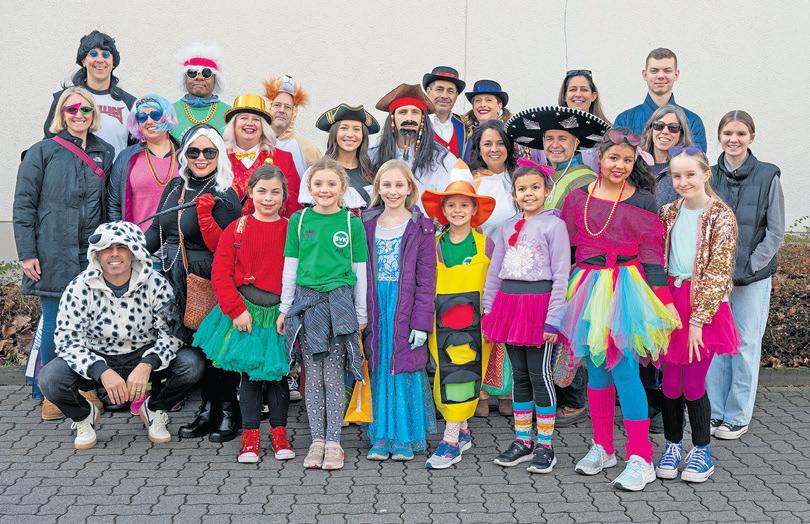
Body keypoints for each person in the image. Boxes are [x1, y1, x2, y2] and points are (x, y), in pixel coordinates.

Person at [560, 128, 679, 491]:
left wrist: (665, 301)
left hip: (626, 289)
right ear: (599, 158)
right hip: (587, 287)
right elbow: (564, 250)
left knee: (625, 371)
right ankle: (603, 447)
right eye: (614, 158)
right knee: (596, 371)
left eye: (628, 160)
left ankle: (641, 456)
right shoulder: (577, 198)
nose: (620, 165)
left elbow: (652, 256)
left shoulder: (643, 201)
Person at [38, 222, 204, 449]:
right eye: (107, 248)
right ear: (97, 254)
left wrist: (147, 364)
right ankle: (83, 416)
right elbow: (67, 341)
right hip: (99, 356)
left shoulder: (156, 283)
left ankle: (155, 409)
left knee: (192, 364)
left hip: (143, 353)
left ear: (133, 252)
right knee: (50, 379)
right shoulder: (79, 287)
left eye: (121, 247)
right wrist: (101, 371)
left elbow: (172, 335)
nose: (114, 254)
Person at [506, 105, 610, 427]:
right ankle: (552, 395)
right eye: (549, 138)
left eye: (562, 138)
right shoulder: (541, 177)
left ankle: (574, 400)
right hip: (541, 271)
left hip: (574, 265)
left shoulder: (586, 180)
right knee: (549, 330)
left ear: (576, 143)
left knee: (569, 331)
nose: (554, 144)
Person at [15, 86, 115, 420]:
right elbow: (24, 204)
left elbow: (106, 205)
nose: (79, 115)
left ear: (93, 114)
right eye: (72, 109)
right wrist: (27, 253)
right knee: (56, 322)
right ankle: (53, 394)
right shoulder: (42, 151)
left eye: (85, 109)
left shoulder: (105, 152)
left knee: (90, 322)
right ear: (62, 113)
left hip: (91, 253)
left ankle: (84, 387)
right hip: (53, 251)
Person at [145, 125, 242, 442]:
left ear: (219, 154)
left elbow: (231, 246)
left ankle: (227, 410)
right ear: (184, 154)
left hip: (208, 278)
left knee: (215, 346)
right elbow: (156, 231)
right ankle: (207, 409)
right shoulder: (176, 186)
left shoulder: (224, 193)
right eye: (194, 151)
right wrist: (128, 251)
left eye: (209, 152)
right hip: (175, 277)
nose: (201, 158)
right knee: (193, 348)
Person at [193, 165, 294, 463]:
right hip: (246, 312)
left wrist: (290, 310)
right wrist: (236, 310)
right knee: (250, 377)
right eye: (261, 191)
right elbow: (221, 274)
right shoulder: (237, 229)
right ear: (250, 192)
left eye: (275, 192)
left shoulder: (292, 229)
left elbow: (300, 272)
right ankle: (250, 436)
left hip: (279, 315)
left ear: (284, 196)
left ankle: (279, 434)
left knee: (277, 377)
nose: (268, 198)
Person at [655, 147, 740, 483]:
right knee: (670, 382)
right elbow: (657, 260)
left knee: (692, 382)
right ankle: (673, 446)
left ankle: (702, 450)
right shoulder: (667, 212)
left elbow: (719, 271)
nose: (683, 181)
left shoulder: (721, 216)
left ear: (706, 174)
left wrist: (697, 321)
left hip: (703, 307)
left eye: (690, 174)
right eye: (677, 175)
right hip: (669, 303)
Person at [280, 158, 368, 470]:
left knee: (332, 376)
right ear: (309, 187)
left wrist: (360, 313)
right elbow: (291, 267)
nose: (325, 189)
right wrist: (285, 309)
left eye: (332, 184)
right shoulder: (299, 220)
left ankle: (334, 442)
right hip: (307, 305)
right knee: (312, 377)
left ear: (342, 188)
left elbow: (360, 271)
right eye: (318, 184)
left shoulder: (351, 223)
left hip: (339, 305)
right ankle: (316, 440)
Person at [484, 159, 571, 474]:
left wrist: (554, 318)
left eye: (535, 187)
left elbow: (561, 274)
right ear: (514, 195)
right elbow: (495, 271)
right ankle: (523, 440)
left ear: (547, 190)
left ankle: (545, 445)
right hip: (509, 308)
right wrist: (489, 308)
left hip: (538, 308)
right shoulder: (507, 227)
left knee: (540, 375)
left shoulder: (554, 226)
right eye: (522, 189)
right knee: (519, 375)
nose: (529, 193)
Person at [707, 111, 785, 440]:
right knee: (716, 345)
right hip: (715, 277)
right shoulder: (709, 175)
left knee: (745, 344)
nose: (733, 139)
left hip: (752, 277)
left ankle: (737, 416)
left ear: (751, 137)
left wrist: (752, 265)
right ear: (719, 136)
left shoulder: (768, 175)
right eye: (728, 133)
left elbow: (776, 231)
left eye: (741, 133)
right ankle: (714, 412)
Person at [421, 164, 496, 469]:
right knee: (447, 373)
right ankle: (462, 430)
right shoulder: (434, 245)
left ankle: (450, 440)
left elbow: (495, 283)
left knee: (465, 375)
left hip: (476, 324)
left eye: (464, 205)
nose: (457, 210)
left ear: (474, 209)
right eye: (451, 205)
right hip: (442, 324)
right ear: (442, 210)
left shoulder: (487, 244)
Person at [362, 159, 437, 462]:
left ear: (409, 189)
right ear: (378, 188)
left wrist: (421, 323)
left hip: (405, 305)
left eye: (399, 185)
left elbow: (427, 279)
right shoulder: (366, 224)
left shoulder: (421, 227)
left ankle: (405, 435)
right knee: (380, 366)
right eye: (387, 184)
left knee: (404, 366)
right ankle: (381, 435)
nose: (393, 191)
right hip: (376, 304)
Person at [44, 30, 136, 158]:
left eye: (105, 54)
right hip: (72, 171)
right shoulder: (64, 99)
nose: (100, 60)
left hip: (116, 171)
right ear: (83, 61)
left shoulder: (130, 103)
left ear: (113, 62)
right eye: (93, 54)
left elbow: (136, 149)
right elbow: (49, 142)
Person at [370, 83, 460, 204]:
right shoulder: (373, 156)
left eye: (415, 112)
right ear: (392, 118)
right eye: (402, 112)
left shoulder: (443, 159)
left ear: (423, 118)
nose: (409, 118)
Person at [108, 94, 180, 230]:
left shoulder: (185, 154)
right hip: (139, 239)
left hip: (177, 239)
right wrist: (121, 236)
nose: (149, 121)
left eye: (156, 115)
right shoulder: (126, 157)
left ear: (166, 116)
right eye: (142, 117)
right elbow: (114, 204)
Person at [222, 93, 301, 216]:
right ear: (234, 124)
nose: (250, 123)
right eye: (243, 118)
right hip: (227, 228)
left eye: (256, 119)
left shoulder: (284, 158)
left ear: (263, 127)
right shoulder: (219, 158)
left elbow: (293, 206)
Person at [614, 48, 706, 151]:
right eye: (654, 71)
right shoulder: (625, 120)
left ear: (676, 74)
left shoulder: (693, 121)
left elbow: (697, 160)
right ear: (645, 74)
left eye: (667, 71)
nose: (661, 76)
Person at [524, 69, 611, 171]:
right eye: (573, 89)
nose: (578, 94)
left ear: (593, 96)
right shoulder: (546, 129)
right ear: (564, 96)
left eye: (584, 90)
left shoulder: (609, 134)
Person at [299, 103, 380, 211]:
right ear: (334, 133)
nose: (350, 134)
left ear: (363, 135)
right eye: (344, 128)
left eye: (356, 129)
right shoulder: (316, 172)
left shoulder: (373, 173)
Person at [171, 43, 231, 142]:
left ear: (215, 79)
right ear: (184, 79)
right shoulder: (170, 112)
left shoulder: (229, 113)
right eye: (192, 73)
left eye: (206, 73)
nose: (199, 77)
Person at [264, 75, 322, 176]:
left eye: (287, 107)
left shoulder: (307, 150)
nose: (282, 110)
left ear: (293, 113)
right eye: (277, 105)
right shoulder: (254, 143)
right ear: (268, 107)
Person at [468, 120, 518, 238]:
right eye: (487, 144)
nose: (494, 149)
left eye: (501, 143)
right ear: (479, 149)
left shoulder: (521, 178)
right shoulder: (470, 183)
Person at [640, 105, 694, 208]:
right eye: (659, 125)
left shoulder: (687, 170)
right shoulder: (635, 164)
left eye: (673, 127)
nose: (665, 132)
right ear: (651, 130)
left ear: (681, 134)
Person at [462, 80, 512, 162]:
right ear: (473, 107)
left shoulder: (510, 135)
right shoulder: (465, 136)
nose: (482, 105)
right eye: (478, 100)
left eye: (488, 100)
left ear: (499, 106)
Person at [423, 66, 468, 158]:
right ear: (428, 91)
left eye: (450, 91)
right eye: (439, 89)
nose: (444, 96)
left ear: (456, 95)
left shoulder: (464, 128)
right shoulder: (418, 122)